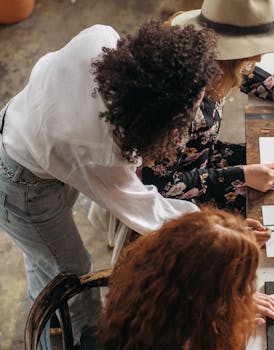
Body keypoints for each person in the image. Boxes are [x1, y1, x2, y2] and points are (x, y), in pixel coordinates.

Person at [0, 22, 220, 348]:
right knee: (71, 278)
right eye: (185, 119)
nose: (191, 124)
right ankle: (65, 339)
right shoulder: (101, 149)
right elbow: (144, 209)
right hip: (22, 183)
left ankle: (45, 305)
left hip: (23, 127)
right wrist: (212, 230)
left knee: (44, 256)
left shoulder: (102, 38)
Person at [140, 0, 274, 216]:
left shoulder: (201, 54)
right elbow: (160, 188)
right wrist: (241, 176)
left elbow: (242, 72)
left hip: (205, 159)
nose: (258, 58)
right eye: (251, 50)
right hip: (182, 197)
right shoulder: (178, 112)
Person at [98, 208, 274, 350]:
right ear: (207, 300)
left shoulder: (149, 283)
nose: (246, 292)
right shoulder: (190, 341)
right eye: (239, 288)